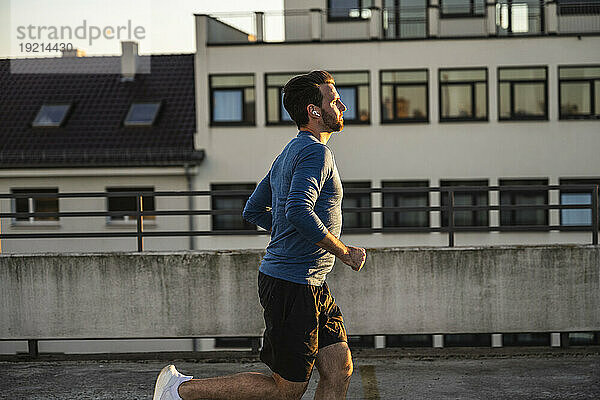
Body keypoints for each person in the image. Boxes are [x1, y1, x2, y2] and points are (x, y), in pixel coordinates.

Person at [152, 70, 366, 400]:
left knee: (339, 369)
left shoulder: (288, 154)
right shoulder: (315, 153)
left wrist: (290, 233)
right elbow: (297, 210)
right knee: (287, 389)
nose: (342, 106)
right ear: (313, 110)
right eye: (333, 100)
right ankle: (180, 391)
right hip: (292, 285)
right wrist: (343, 251)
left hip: (311, 282)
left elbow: (253, 210)